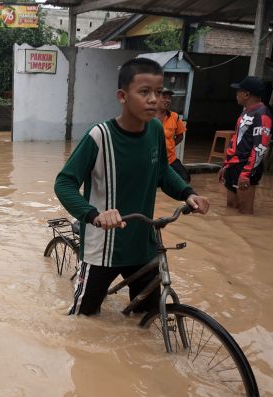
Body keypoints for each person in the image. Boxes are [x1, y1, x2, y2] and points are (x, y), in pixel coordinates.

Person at [54, 58, 210, 316]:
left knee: (147, 319)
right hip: (103, 248)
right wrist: (94, 215)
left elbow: (162, 171)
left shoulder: (156, 131)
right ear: (122, 96)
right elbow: (64, 183)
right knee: (82, 320)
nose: (153, 100)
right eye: (144, 92)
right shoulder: (99, 136)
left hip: (143, 244)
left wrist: (188, 193)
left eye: (158, 92)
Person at [219, 76, 272, 215]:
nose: (236, 94)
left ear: (247, 94)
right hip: (234, 164)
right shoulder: (246, 112)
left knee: (245, 212)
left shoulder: (262, 114)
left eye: (239, 91)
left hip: (245, 167)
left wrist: (247, 173)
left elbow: (260, 146)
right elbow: (236, 140)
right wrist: (226, 164)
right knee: (231, 207)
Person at [156, 87, 190, 182]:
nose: (167, 100)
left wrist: (170, 145)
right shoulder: (147, 117)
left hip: (170, 159)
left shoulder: (174, 117)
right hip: (152, 160)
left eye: (169, 98)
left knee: (185, 179)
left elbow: (180, 136)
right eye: (164, 97)